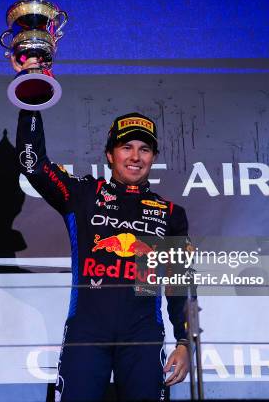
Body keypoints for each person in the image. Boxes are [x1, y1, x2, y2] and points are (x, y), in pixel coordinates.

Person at [13, 57, 190, 401]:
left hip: (143, 335)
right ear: (110, 154)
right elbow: (33, 166)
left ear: (153, 157)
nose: (135, 157)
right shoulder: (83, 195)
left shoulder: (170, 213)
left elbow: (180, 282)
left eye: (144, 149)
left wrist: (184, 341)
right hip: (86, 332)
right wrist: (31, 93)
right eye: (126, 147)